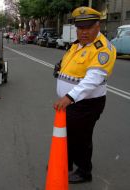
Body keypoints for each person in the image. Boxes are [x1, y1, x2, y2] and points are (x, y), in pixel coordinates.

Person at [53, 7, 116, 184]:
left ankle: (84, 171)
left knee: (81, 137)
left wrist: (69, 97)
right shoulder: (77, 45)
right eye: (80, 28)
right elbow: (70, 62)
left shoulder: (103, 49)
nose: (84, 32)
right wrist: (59, 67)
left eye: (88, 27)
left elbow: (92, 80)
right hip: (73, 102)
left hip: (87, 103)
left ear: (98, 26)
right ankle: (66, 164)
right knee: (68, 134)